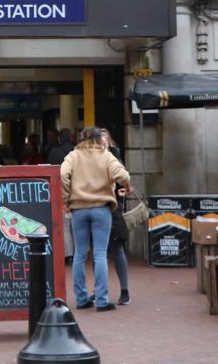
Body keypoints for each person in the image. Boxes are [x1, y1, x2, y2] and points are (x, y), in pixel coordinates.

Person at [60, 127, 131, 311]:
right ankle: (101, 300)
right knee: (99, 254)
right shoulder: (105, 155)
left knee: (79, 254)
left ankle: (82, 298)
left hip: (79, 209)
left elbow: (62, 175)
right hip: (101, 208)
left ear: (81, 139)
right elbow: (122, 175)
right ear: (100, 139)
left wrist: (65, 199)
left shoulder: (73, 156)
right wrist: (127, 187)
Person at [104, 130, 131, 306]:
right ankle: (100, 291)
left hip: (112, 209)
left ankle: (124, 290)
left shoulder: (114, 159)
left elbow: (124, 180)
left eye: (104, 141)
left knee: (117, 248)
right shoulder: (91, 159)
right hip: (98, 207)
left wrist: (124, 190)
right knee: (100, 252)